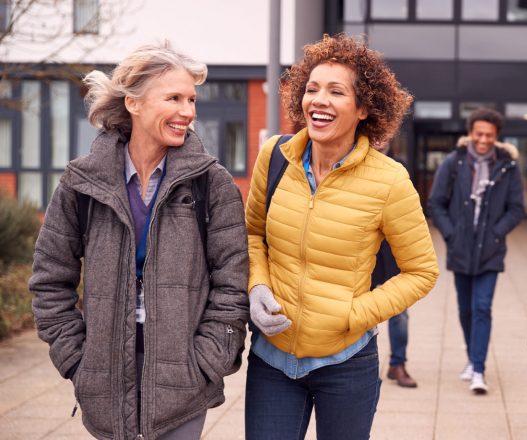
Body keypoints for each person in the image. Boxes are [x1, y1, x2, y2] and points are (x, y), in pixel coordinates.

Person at [29, 42, 250, 439]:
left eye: (191, 99)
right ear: (134, 103)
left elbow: (232, 284)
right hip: (105, 379)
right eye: (174, 98)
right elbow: (49, 279)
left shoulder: (212, 183)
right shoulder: (82, 184)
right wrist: (78, 360)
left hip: (185, 380)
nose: (188, 112)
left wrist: (206, 361)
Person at [243, 34, 439, 440]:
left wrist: (353, 315)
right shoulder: (274, 156)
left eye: (336, 91)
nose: (319, 100)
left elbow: (421, 271)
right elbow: (252, 234)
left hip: (346, 363)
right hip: (272, 359)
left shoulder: (390, 180)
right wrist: (257, 284)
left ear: (364, 107)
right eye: (312, 89)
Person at [427, 107, 524, 394]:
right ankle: (472, 357)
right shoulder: (453, 163)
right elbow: (436, 204)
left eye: (490, 135)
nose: (483, 140)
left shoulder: (508, 167)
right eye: (479, 134)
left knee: (482, 307)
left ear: (497, 137)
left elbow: (516, 209)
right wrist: (452, 234)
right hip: (460, 248)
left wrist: (496, 233)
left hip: (491, 251)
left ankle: (479, 369)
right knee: (466, 309)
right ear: (470, 133)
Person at [372, 145, 418, 388]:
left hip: (393, 255)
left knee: (399, 313)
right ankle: (362, 366)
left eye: (384, 136)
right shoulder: (350, 165)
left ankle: (398, 364)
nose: (379, 141)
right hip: (363, 254)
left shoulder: (399, 168)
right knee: (361, 315)